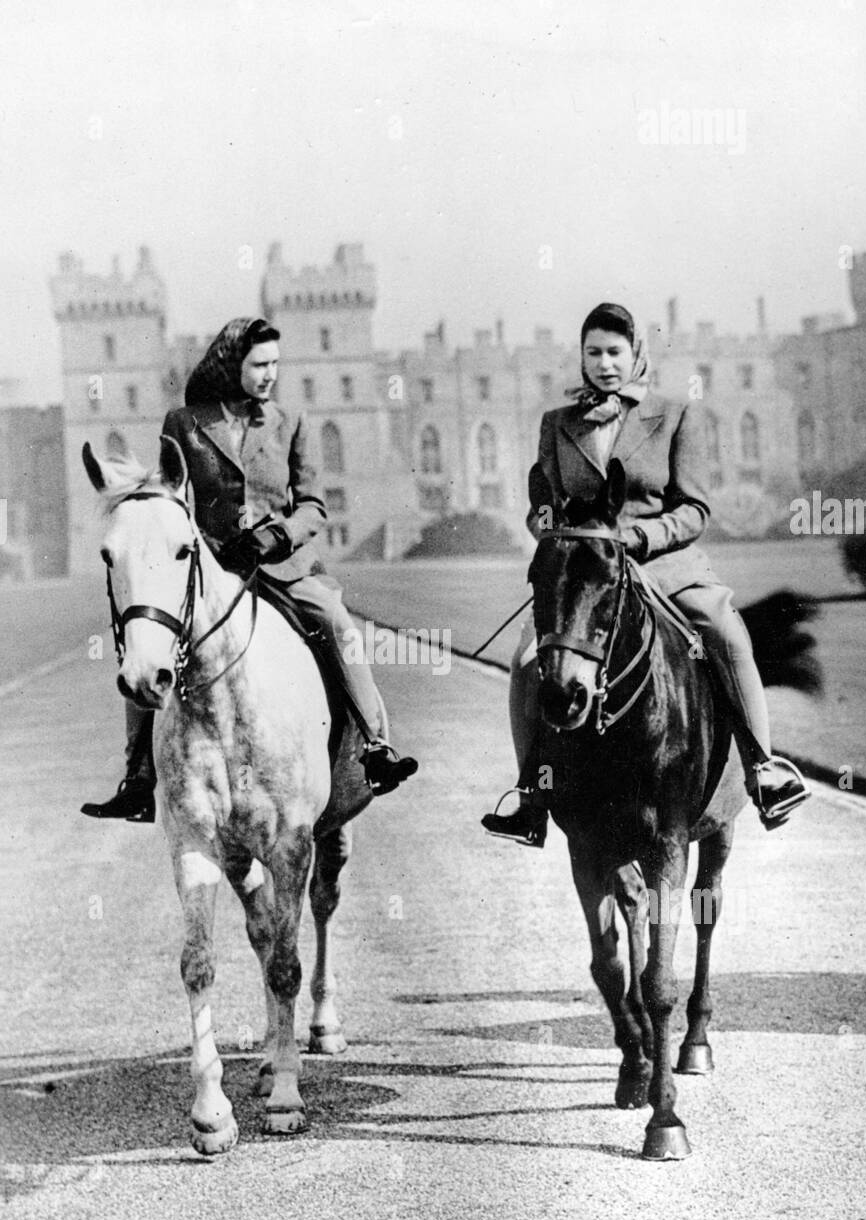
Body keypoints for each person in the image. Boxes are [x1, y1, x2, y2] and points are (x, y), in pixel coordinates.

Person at [482, 301, 809, 848]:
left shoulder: (675, 414)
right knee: (525, 660)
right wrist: (560, 538)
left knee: (724, 628)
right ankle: (531, 796)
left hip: (664, 565)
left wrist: (639, 537)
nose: (605, 364)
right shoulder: (557, 425)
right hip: (587, 576)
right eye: (594, 353)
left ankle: (763, 770)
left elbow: (695, 510)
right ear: (581, 358)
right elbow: (540, 507)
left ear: (636, 355)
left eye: (615, 352)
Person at [82, 315, 417, 822]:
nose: (269, 375)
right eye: (260, 364)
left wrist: (271, 537)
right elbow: (172, 497)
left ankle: (374, 746)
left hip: (281, 567)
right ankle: (138, 777)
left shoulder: (291, 422)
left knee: (333, 617)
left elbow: (313, 506)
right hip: (212, 571)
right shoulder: (184, 424)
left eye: (275, 365)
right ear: (231, 363)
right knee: (145, 642)